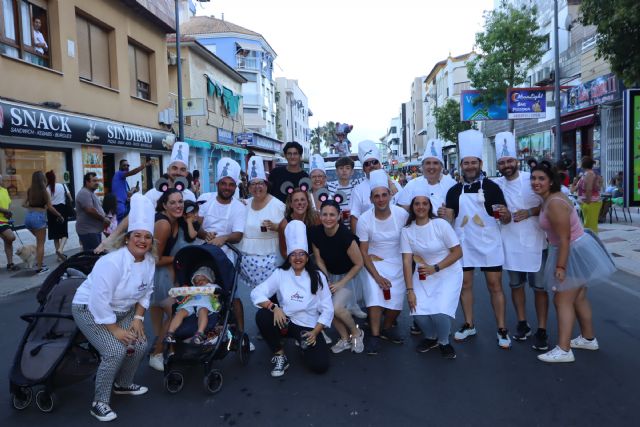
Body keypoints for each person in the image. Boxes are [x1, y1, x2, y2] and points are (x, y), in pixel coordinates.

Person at [72, 193, 155, 421]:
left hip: (124, 310)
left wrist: (138, 319)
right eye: (137, 235)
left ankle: (123, 383)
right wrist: (116, 330)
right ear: (127, 238)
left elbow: (146, 292)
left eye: (147, 237)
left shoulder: (149, 262)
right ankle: (99, 402)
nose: (142, 240)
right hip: (89, 309)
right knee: (115, 350)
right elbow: (98, 301)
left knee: (139, 344)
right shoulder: (111, 262)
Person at [531, 161, 615, 363]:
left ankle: (564, 349)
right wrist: (528, 212)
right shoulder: (550, 199)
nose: (536, 182)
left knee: (562, 300)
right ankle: (588, 338)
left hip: (573, 252)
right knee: (578, 298)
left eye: (541, 178)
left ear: (551, 181)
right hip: (579, 250)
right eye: (533, 178)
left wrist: (560, 267)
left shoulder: (554, 203)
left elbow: (565, 238)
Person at [442, 130, 512, 349]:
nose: (470, 166)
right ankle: (469, 324)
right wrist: (444, 216)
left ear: (480, 163)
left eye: (473, 162)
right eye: (466, 163)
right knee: (466, 285)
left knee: (495, 286)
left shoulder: (492, 188)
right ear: (461, 165)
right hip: (464, 243)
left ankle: (502, 328)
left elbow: (505, 218)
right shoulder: (454, 191)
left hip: (489, 242)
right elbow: (450, 219)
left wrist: (506, 215)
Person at [251, 220, 334, 377]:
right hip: (285, 322)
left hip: (308, 325)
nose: (297, 258)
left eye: (301, 254)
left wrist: (315, 332)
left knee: (320, 366)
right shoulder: (280, 274)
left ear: (307, 257)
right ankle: (280, 355)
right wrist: (273, 307)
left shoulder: (317, 276)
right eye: (293, 254)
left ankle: (304, 344)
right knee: (263, 316)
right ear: (288, 257)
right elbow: (256, 293)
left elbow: (328, 308)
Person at [493, 133, 549, 350]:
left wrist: (530, 211)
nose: (506, 165)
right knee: (516, 285)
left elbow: (550, 201)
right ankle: (522, 323)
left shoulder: (532, 179)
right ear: (498, 165)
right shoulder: (496, 185)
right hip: (510, 242)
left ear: (517, 161)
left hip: (536, 241)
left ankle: (542, 330)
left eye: (509, 161)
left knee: (540, 288)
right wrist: (503, 216)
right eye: (502, 162)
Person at [400, 190, 463, 359]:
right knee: (418, 311)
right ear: (412, 207)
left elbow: (457, 252)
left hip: (448, 271)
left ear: (430, 206)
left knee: (440, 311)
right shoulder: (406, 230)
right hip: (423, 273)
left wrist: (435, 268)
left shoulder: (440, 225)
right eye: (417, 203)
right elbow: (407, 261)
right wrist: (410, 290)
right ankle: (431, 337)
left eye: (424, 203)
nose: (421, 207)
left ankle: (444, 341)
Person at [356, 169, 409, 355]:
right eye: (376, 196)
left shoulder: (401, 215)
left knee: (396, 303)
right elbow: (363, 250)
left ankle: (386, 327)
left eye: (384, 195)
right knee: (375, 297)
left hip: (397, 263)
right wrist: (377, 277)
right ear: (371, 199)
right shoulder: (364, 219)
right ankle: (375, 336)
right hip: (372, 263)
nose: (380, 199)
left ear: (390, 195)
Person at [197, 158, 248, 340]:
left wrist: (224, 237)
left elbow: (238, 234)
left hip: (226, 256)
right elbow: (198, 227)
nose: (227, 187)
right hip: (204, 254)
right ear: (217, 184)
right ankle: (205, 330)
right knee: (202, 292)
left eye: (231, 185)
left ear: (235, 187)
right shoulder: (206, 201)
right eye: (224, 184)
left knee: (232, 295)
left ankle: (241, 333)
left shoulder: (238, 208)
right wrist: (206, 235)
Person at [310, 200, 365, 353]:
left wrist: (341, 283)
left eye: (332, 215)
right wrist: (326, 278)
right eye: (325, 214)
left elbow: (359, 264)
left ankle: (357, 332)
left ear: (339, 216)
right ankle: (344, 338)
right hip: (329, 275)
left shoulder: (346, 236)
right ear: (320, 216)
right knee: (327, 307)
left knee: (336, 308)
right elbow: (319, 258)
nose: (328, 218)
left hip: (350, 277)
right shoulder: (315, 232)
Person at [148, 189, 190, 371]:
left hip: (163, 272)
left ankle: (166, 348)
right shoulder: (164, 224)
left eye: (180, 201)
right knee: (174, 311)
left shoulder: (176, 221)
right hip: (154, 271)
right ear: (164, 205)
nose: (178, 205)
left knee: (160, 312)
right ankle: (156, 352)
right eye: (172, 202)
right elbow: (154, 259)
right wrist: (181, 257)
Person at [238, 156, 286, 290]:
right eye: (253, 184)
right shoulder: (244, 205)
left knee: (272, 297)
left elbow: (288, 230)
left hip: (271, 260)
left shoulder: (278, 206)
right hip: (247, 263)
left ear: (266, 185)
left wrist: (277, 227)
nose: (257, 187)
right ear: (248, 187)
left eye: (260, 183)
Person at [349, 140, 402, 232]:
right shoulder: (358, 190)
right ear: (363, 169)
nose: (372, 166)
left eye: (374, 162)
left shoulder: (395, 185)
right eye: (367, 164)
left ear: (380, 164)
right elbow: (354, 217)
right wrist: (357, 241)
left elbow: (403, 210)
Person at [396, 139, 457, 216]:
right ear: (422, 166)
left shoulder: (452, 184)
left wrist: (449, 213)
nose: (431, 167)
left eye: (435, 163)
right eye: (428, 163)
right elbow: (400, 211)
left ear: (441, 166)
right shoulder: (412, 185)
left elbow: (460, 211)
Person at [165, 266, 221, 345]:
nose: (199, 282)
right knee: (180, 312)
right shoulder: (193, 288)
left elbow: (218, 292)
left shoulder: (212, 286)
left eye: (202, 279)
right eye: (196, 281)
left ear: (210, 280)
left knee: (203, 311)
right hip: (190, 304)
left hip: (204, 304)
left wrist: (215, 293)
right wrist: (183, 290)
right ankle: (170, 332)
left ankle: (199, 333)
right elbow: (181, 297)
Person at [23, 171, 64, 274]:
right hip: (38, 217)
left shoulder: (30, 190)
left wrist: (32, 207)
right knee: (40, 244)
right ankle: (40, 268)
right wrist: (59, 215)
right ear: (43, 179)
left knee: (38, 241)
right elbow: (50, 207)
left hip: (28, 217)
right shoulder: (44, 191)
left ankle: (39, 262)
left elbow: (23, 204)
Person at [278, 188, 320, 259]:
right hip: (295, 261)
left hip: (316, 258)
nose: (300, 203)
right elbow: (284, 251)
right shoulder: (284, 225)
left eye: (302, 199)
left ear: (308, 203)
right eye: (296, 200)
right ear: (291, 204)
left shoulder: (316, 219)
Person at [75, 172, 110, 253]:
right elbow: (89, 210)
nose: (97, 183)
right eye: (94, 181)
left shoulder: (90, 193)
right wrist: (103, 219)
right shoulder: (84, 193)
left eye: (97, 181)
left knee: (94, 256)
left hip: (93, 231)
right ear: (87, 182)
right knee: (94, 256)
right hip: (88, 232)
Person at [327, 156, 362, 229]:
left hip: (356, 227)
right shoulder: (330, 186)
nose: (344, 170)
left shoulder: (357, 185)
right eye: (341, 168)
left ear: (352, 172)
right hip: (336, 228)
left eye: (347, 168)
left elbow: (372, 174)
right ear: (336, 171)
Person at [112, 158, 150, 223]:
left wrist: (134, 190)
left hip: (125, 205)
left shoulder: (123, 181)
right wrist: (144, 165)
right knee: (120, 227)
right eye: (124, 165)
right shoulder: (118, 174)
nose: (126, 167)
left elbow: (128, 194)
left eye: (127, 165)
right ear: (120, 166)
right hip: (120, 206)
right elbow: (133, 172)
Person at [44, 170, 70, 262]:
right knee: (64, 233)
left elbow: (47, 204)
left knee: (55, 235)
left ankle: (58, 256)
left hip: (51, 211)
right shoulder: (62, 185)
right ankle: (60, 250)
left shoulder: (46, 189)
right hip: (62, 209)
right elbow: (70, 198)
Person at [576, 156, 602, 234]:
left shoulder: (589, 174)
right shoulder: (586, 173)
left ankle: (594, 244)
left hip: (591, 202)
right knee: (588, 225)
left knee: (591, 227)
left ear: (583, 164)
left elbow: (589, 188)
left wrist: (587, 201)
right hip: (588, 202)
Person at [0, 174, 19, 271]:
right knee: (11, 237)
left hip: (4, 220)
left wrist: (8, 212)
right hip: (0, 221)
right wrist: (5, 211)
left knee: (8, 241)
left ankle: (10, 264)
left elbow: (8, 203)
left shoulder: (4, 190)